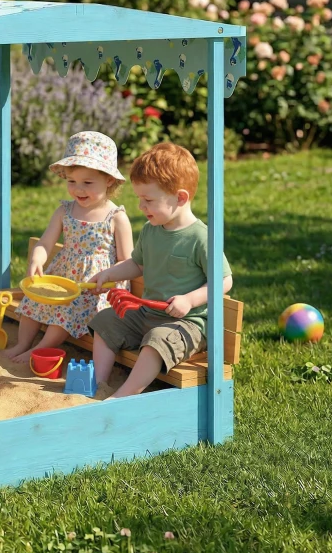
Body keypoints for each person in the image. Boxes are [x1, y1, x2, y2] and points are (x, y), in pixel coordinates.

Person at [88, 142, 233, 397]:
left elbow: (224, 281)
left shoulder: (201, 237)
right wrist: (110, 274)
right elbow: (137, 264)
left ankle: (125, 395)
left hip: (187, 324)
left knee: (157, 341)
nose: (141, 206)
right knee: (105, 321)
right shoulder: (150, 230)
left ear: (180, 198)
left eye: (148, 200)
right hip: (147, 314)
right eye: (139, 199)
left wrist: (189, 300)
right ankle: (99, 383)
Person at [4, 131, 133, 363]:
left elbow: (127, 261)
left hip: (94, 289)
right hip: (63, 280)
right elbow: (45, 243)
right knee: (33, 300)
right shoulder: (65, 211)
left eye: (87, 183)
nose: (78, 190)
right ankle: (23, 344)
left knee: (67, 310)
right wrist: (37, 258)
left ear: (109, 180)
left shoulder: (116, 217)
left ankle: (39, 349)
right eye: (71, 181)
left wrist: (108, 278)